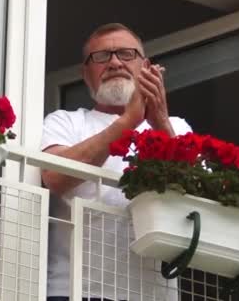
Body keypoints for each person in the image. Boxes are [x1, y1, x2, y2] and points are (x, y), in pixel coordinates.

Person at [40, 23, 192, 301]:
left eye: (126, 54)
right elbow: (54, 176)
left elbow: (194, 196)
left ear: (146, 66)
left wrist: (160, 124)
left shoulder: (177, 128)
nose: (114, 62)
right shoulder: (65, 121)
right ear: (85, 74)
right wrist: (128, 121)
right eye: (101, 57)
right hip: (74, 291)